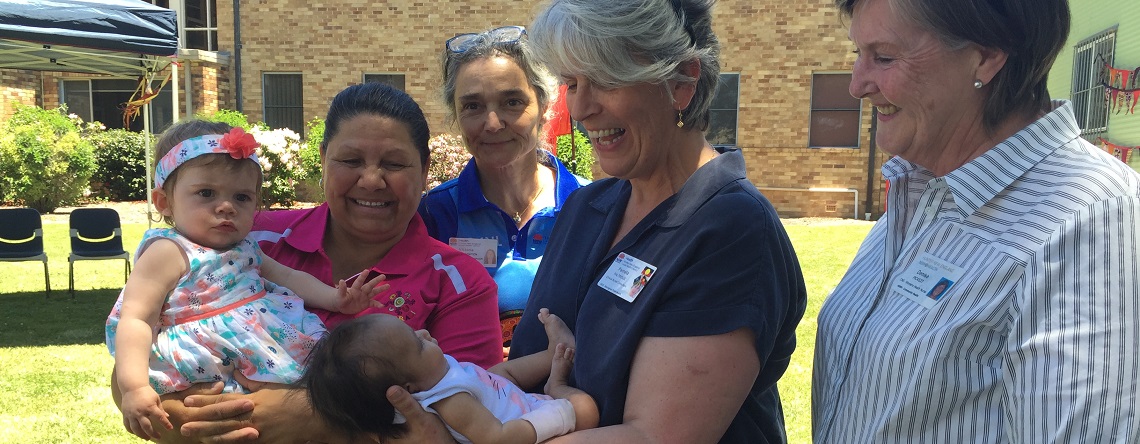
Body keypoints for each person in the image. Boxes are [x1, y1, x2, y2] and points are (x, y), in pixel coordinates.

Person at [463, 0, 801, 442]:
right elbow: (535, 366)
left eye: (604, 79)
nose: (580, 108)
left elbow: (654, 436)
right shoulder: (588, 207)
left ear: (681, 82)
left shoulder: (729, 229)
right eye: (571, 82)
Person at [812, 0, 1140, 442]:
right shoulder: (923, 187)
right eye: (859, 53)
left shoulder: (1088, 219)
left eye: (884, 57)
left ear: (986, 56)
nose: (856, 85)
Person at [113, 82, 503, 443]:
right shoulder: (243, 238)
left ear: (424, 171)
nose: (371, 180)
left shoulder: (459, 283)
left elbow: (474, 421)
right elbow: (138, 344)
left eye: (395, 163)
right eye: (350, 159)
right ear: (323, 161)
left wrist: (321, 419)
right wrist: (181, 413)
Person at [104, 121, 390, 440]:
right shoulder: (168, 251)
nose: (226, 206)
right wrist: (134, 387)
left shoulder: (246, 246)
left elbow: (288, 276)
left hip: (259, 340)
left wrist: (335, 299)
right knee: (226, 420)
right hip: (209, 353)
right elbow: (136, 320)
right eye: (206, 193)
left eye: (241, 197)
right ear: (164, 203)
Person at [418, 25, 590, 349]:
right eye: (472, 106)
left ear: (543, 106)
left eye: (512, 102)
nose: (493, 123)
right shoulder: (432, 216)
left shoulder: (593, 207)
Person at [302, 310, 598, 444]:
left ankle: (552, 354)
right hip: (522, 426)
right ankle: (558, 387)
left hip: (510, 401)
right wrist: (557, 416)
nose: (424, 334)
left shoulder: (435, 375)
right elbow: (498, 439)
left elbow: (497, 379)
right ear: (408, 388)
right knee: (587, 410)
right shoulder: (450, 402)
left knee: (497, 374)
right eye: (417, 344)